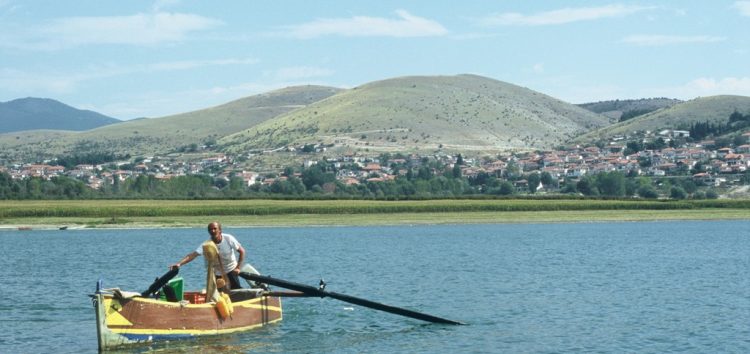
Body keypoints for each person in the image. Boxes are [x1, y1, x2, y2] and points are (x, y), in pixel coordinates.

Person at [170, 222, 245, 290]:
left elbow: (242, 251)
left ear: (220, 230)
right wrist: (179, 264)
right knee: (218, 293)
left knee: (236, 291)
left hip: (231, 269)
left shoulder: (228, 238)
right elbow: (193, 255)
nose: (213, 231)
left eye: (215, 229)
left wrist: (238, 268)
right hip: (216, 272)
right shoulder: (206, 244)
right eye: (210, 229)